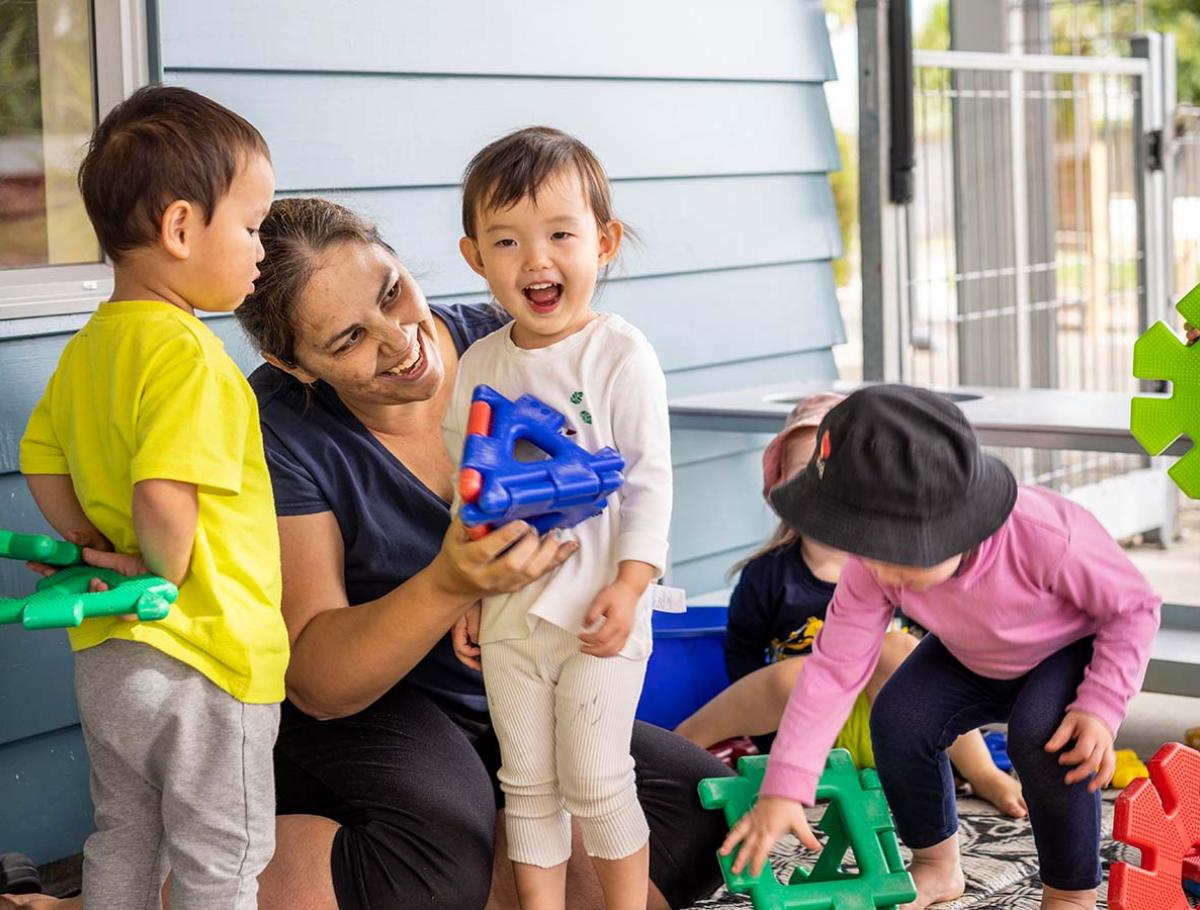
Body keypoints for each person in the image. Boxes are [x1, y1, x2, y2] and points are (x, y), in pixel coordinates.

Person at [234, 196, 729, 910]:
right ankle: (178, 886)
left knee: (695, 804)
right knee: (440, 841)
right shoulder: (282, 432)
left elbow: (614, 488)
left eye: (392, 292)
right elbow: (318, 681)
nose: (400, 340)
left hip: (515, 678)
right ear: (293, 362)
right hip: (371, 712)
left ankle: (466, 872)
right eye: (348, 341)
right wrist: (449, 585)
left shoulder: (516, 342)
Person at [720, 385, 1161, 910]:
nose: (880, 571)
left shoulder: (1046, 534)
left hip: (1065, 651)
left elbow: (1134, 607)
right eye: (864, 550)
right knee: (900, 718)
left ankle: (1070, 891)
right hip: (968, 653)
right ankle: (936, 864)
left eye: (900, 555)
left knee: (1045, 738)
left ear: (961, 524)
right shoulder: (872, 565)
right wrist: (785, 783)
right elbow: (835, 670)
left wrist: (1101, 706)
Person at [17, 86, 286, 910]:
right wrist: (150, 564)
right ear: (179, 228)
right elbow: (165, 494)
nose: (261, 250)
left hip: (107, 655)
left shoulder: (89, 350)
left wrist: (90, 548)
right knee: (221, 855)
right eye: (251, 226)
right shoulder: (192, 360)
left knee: (124, 832)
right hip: (203, 655)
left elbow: (40, 461)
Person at [443, 127, 669, 910]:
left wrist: (633, 584)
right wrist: (469, 594)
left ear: (602, 244)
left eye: (560, 236)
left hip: (600, 609)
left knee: (600, 780)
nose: (535, 261)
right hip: (510, 615)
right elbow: (465, 492)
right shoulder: (478, 364)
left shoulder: (620, 354)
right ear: (476, 257)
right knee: (527, 782)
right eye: (506, 241)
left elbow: (648, 481)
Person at [674, 393, 1027, 819]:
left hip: (888, 722)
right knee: (795, 677)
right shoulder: (766, 574)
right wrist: (765, 727)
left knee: (899, 647)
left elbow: (937, 642)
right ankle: (678, 747)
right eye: (809, 477)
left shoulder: (899, 568)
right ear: (783, 490)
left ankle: (983, 772)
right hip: (801, 730)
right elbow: (742, 653)